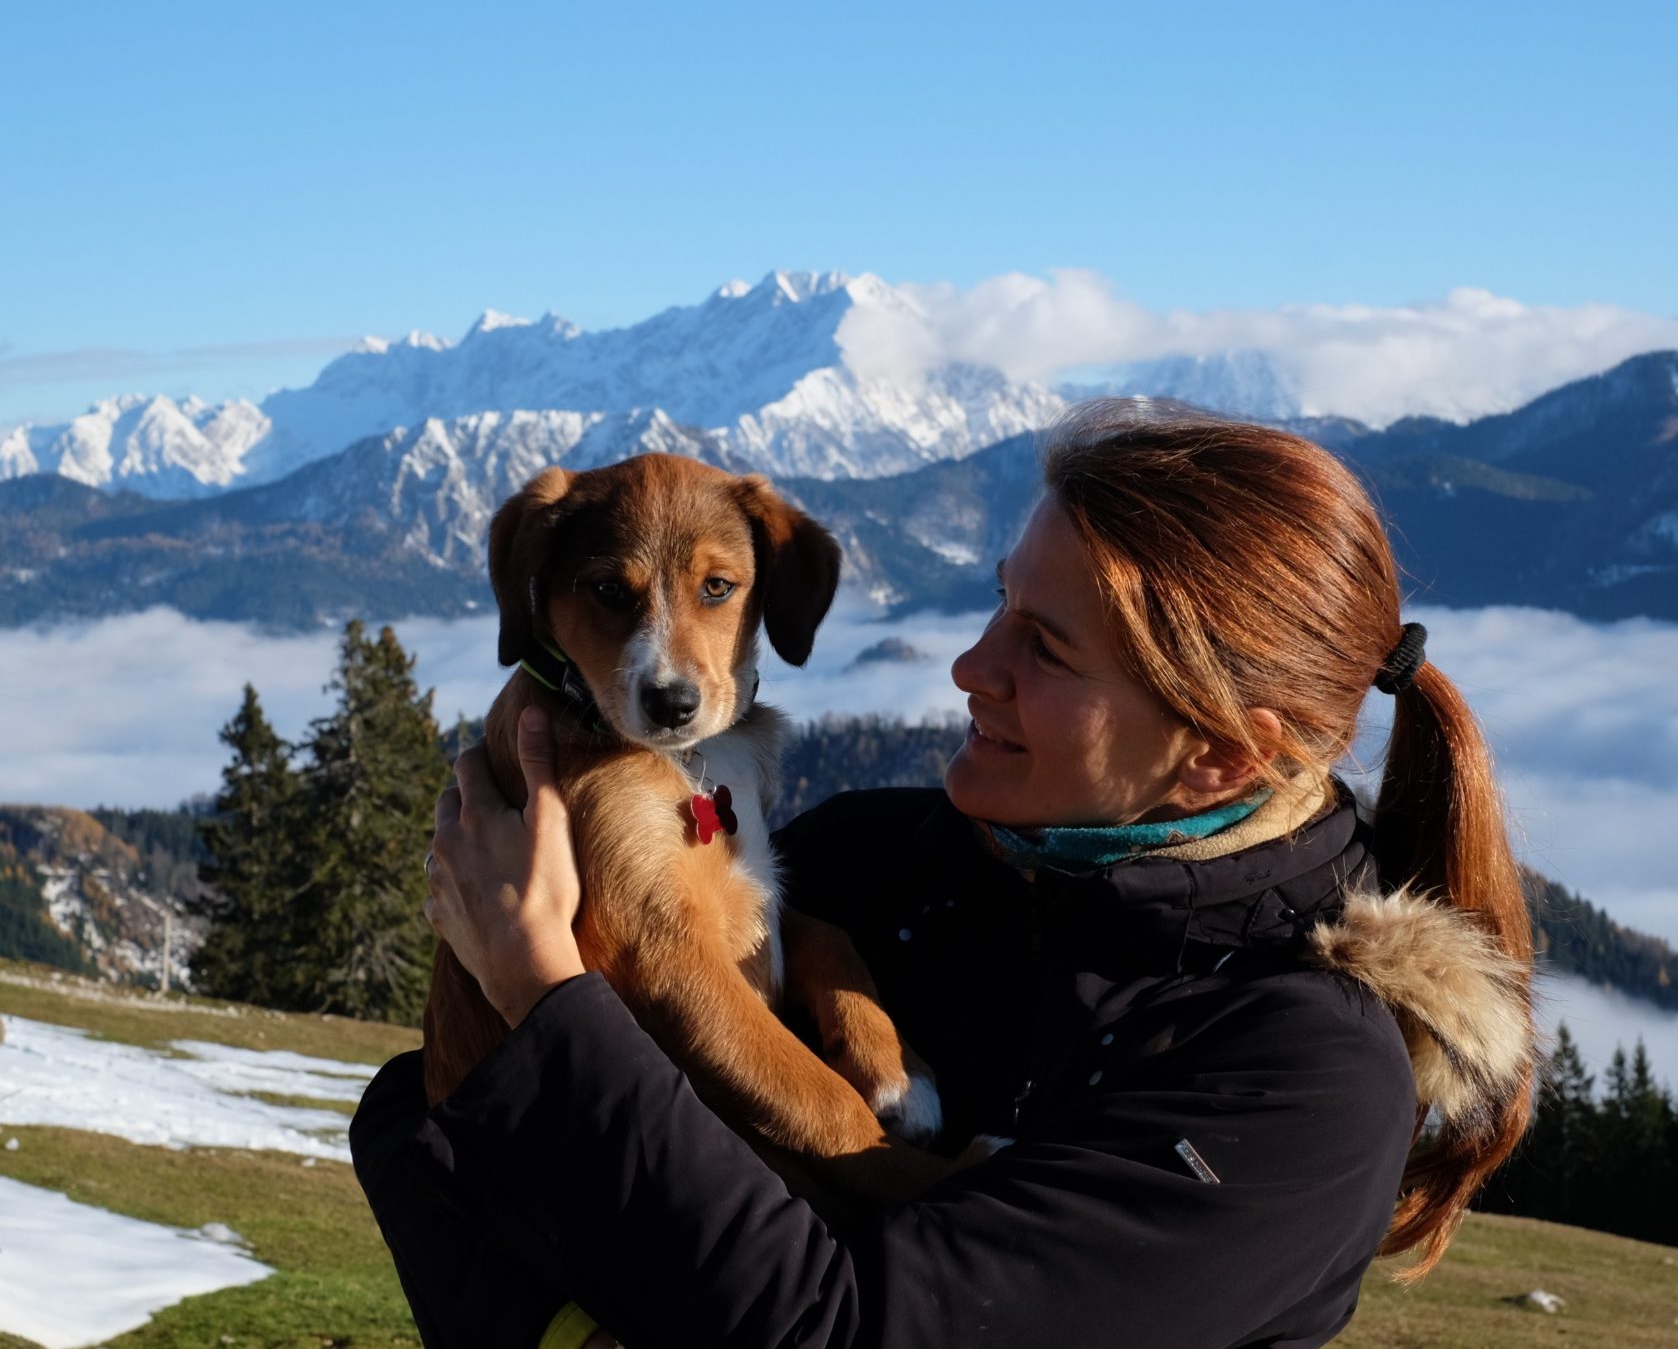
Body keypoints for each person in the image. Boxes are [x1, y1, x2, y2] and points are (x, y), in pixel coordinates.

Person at [351, 398, 1538, 1349]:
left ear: (1226, 748)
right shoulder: (884, 855)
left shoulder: (1298, 1078)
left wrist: (544, 994)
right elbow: (426, 1136)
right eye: (997, 607)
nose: (970, 665)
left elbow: (843, 1327)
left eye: (1045, 647)